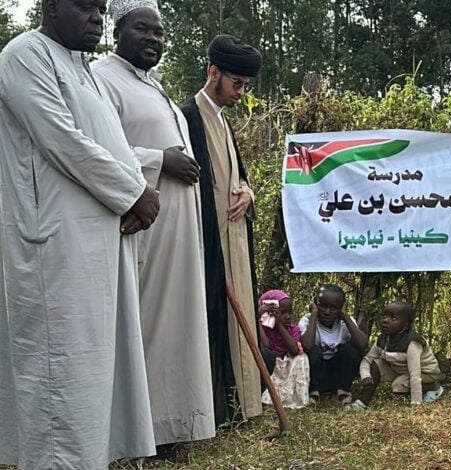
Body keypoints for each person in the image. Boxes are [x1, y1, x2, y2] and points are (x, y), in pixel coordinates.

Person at [0, 0, 161, 467]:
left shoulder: (82, 67)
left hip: (97, 241)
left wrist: (138, 190)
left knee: (93, 369)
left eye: (101, 9)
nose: (97, 18)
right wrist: (133, 192)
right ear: (51, 8)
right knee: (60, 371)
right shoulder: (25, 55)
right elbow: (62, 139)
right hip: (56, 244)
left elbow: (111, 141)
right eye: (85, 6)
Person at [92, 0, 215, 446]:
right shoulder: (102, 79)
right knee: (147, 323)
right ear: (117, 32)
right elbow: (96, 149)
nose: (153, 39)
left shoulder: (152, 85)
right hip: (145, 228)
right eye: (142, 29)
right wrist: (158, 159)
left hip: (179, 230)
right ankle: (143, 431)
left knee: (179, 323)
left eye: (159, 32)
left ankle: (179, 423)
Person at [180, 34, 263, 425]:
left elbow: (238, 177)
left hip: (235, 245)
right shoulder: (187, 118)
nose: (240, 93)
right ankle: (216, 410)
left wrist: (247, 192)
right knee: (210, 322)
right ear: (214, 73)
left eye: (245, 86)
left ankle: (243, 404)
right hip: (205, 247)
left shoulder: (223, 121)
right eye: (236, 84)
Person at [351, 301, 443, 409]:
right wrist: (366, 376)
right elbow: (367, 360)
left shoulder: (412, 343)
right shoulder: (383, 340)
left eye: (393, 318)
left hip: (425, 373)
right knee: (376, 364)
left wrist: (416, 403)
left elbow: (415, 375)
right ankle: (363, 401)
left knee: (398, 386)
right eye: (384, 316)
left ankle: (433, 387)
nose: (385, 320)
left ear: (405, 325)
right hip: (400, 370)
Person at [299, 284, 368, 406]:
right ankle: (314, 392)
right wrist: (314, 315)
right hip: (316, 375)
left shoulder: (345, 322)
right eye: (322, 306)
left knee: (352, 351)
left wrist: (344, 316)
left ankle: (342, 390)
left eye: (334, 308)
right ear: (315, 304)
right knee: (313, 352)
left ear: (342, 307)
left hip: (337, 375)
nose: (327, 312)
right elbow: (307, 346)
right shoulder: (307, 321)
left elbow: (362, 344)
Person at [257, 290, 310, 409]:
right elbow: (266, 346)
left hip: (288, 369)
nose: (287, 317)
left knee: (302, 358)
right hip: (273, 368)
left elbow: (294, 350)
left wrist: (279, 325)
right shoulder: (265, 329)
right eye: (282, 313)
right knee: (267, 355)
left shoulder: (293, 329)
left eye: (290, 313)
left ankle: (296, 397)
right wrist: (258, 319)